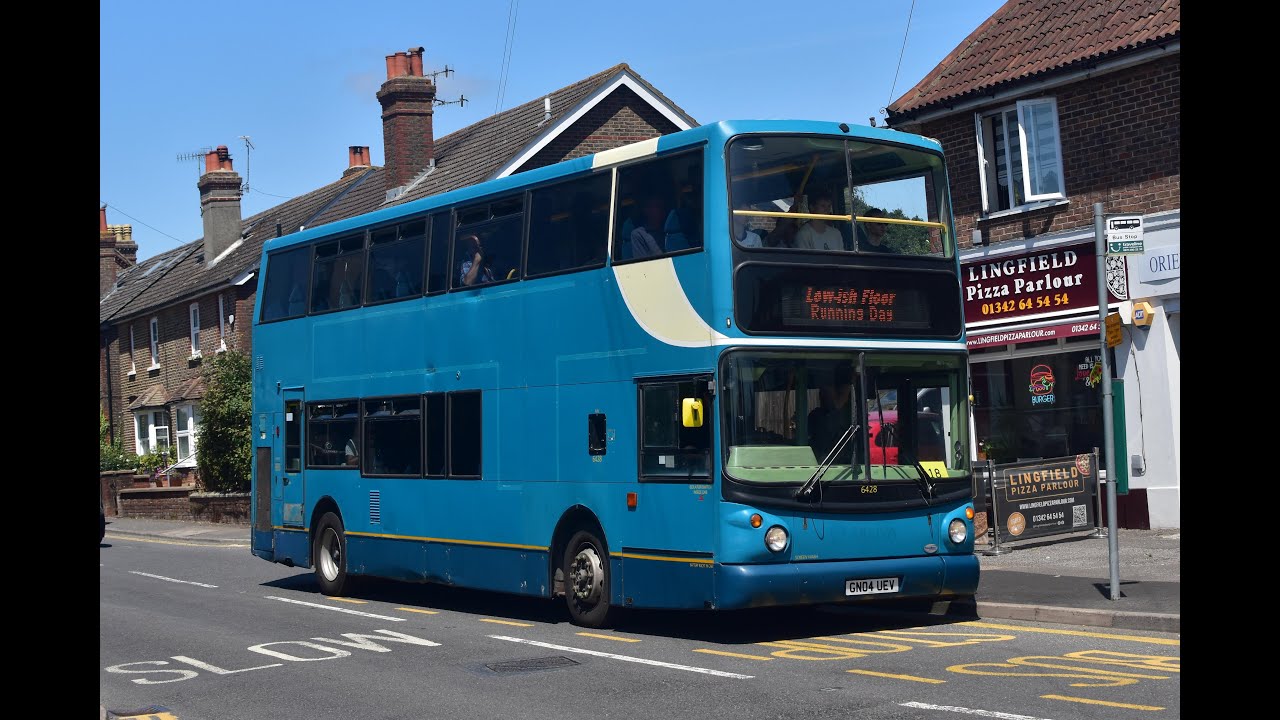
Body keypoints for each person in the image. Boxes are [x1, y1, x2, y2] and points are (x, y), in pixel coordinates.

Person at [807, 366, 857, 464]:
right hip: (821, 467)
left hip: (849, 467)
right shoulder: (816, 416)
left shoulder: (855, 416)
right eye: (827, 394)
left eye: (845, 393)